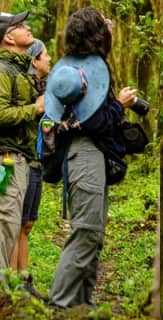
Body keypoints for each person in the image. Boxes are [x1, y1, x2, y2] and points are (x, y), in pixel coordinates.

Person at [45, 7, 137, 309]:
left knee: (94, 234)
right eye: (104, 24)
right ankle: (60, 304)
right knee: (86, 231)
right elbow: (95, 121)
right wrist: (120, 105)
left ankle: (82, 304)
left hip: (89, 155)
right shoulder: (80, 74)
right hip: (84, 154)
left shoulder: (80, 67)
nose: (111, 26)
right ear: (95, 33)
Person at [0, 11, 44, 275]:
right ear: (8, 36)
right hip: (6, 157)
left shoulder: (18, 68)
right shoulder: (3, 70)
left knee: (12, 221)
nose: (28, 27)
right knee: (5, 219)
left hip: (20, 158)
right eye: (20, 25)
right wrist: (35, 109)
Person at [9, 39, 51, 297]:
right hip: (21, 158)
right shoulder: (23, 87)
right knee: (16, 223)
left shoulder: (42, 87)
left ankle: (24, 280)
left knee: (27, 223)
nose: (49, 59)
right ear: (34, 60)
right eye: (45, 55)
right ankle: (12, 283)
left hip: (37, 161)